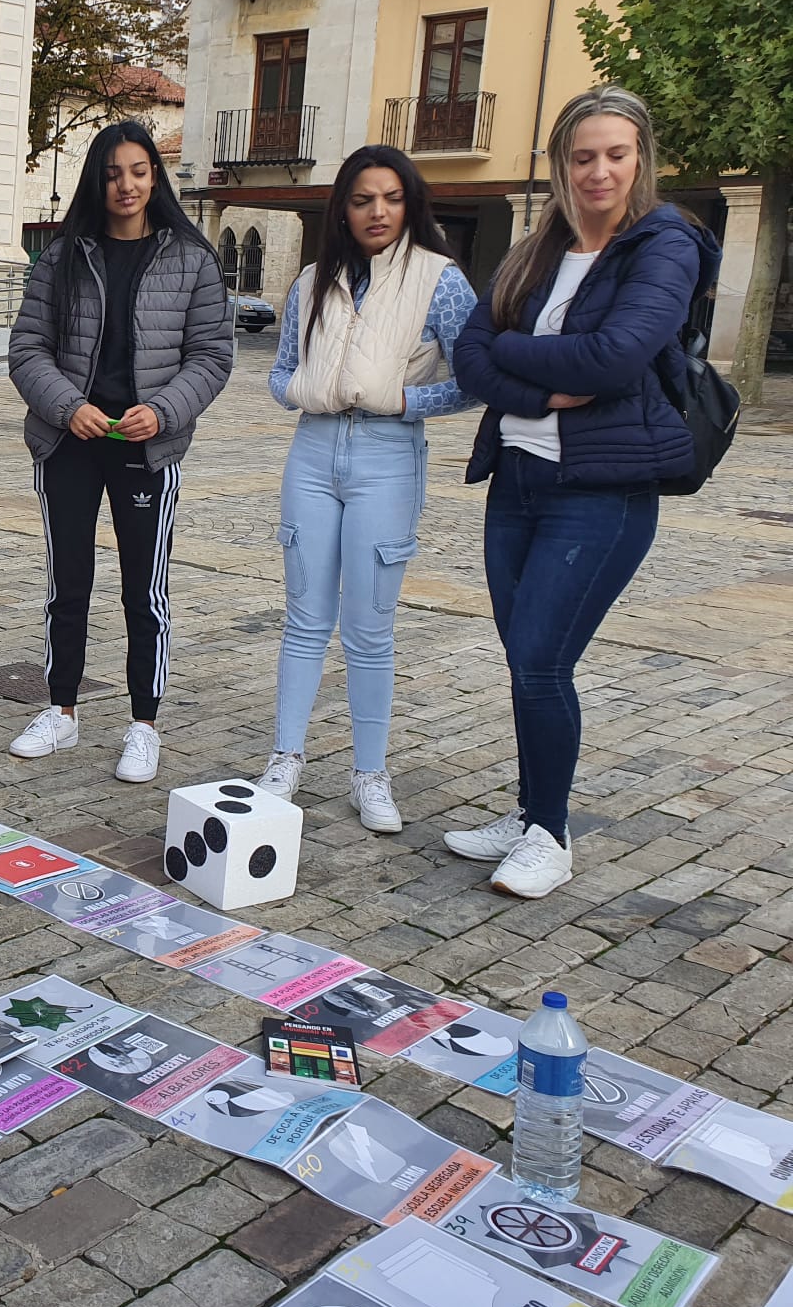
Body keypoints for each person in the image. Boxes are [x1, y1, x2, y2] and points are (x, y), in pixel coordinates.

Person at [447, 86, 716, 898]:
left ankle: (551, 835)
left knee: (539, 659)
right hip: (518, 481)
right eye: (583, 155)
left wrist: (515, 359)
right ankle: (532, 808)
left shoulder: (664, 245)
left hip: (601, 490)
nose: (599, 171)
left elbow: (614, 359)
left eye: (616, 153)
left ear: (642, 158)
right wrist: (537, 388)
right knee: (524, 658)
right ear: (563, 164)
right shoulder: (540, 247)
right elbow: (469, 350)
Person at [252, 146, 479, 830]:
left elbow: (476, 376)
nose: (376, 211)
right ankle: (285, 757)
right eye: (361, 199)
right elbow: (280, 369)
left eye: (390, 197)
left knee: (369, 629)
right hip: (314, 453)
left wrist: (402, 402)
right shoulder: (312, 281)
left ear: (410, 203)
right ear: (343, 210)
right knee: (304, 619)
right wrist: (302, 389)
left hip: (388, 456)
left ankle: (370, 774)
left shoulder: (441, 280)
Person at [5, 122, 233, 782]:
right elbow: (27, 349)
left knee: (145, 592)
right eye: (112, 173)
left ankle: (143, 724)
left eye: (137, 171)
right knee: (66, 585)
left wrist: (162, 412)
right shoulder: (63, 256)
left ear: (154, 177)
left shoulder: (192, 259)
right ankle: (62, 711)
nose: (125, 185)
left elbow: (213, 356)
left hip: (146, 450)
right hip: (69, 444)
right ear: (96, 182)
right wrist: (65, 406)